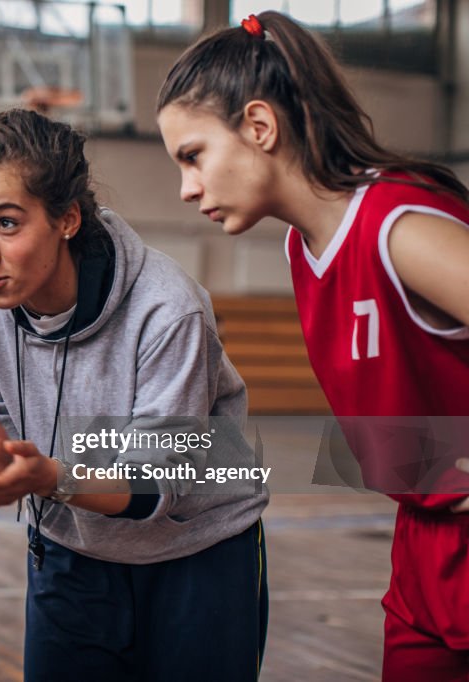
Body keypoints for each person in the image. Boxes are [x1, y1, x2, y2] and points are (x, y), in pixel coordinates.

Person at [156, 11, 469, 681]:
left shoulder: (398, 226)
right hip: (423, 550)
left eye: (193, 156)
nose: (186, 188)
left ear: (260, 127)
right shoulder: (306, 246)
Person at [0, 108, 269, 682]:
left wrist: (48, 476)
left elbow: (155, 480)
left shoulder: (168, 309)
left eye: (6, 223)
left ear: (67, 219)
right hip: (70, 550)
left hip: (199, 555)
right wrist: (3, 463)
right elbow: (7, 444)